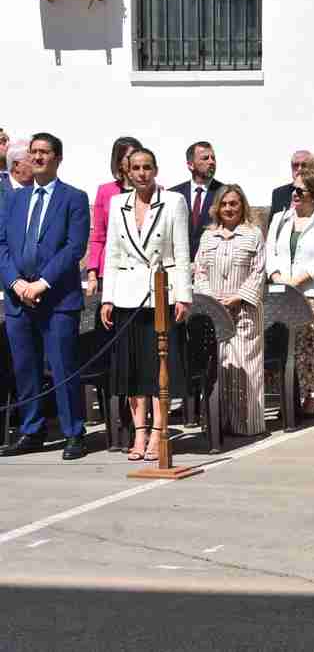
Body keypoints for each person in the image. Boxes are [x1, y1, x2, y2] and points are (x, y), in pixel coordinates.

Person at [0, 133, 90, 460]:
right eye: (33, 152)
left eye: (45, 152)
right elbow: (2, 246)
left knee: (64, 366)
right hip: (17, 299)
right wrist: (16, 284)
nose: (37, 157)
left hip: (57, 300)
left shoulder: (74, 198)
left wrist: (42, 283)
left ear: (57, 158)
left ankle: (73, 433)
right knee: (25, 368)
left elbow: (74, 247)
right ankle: (31, 430)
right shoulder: (13, 199)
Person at [100, 148, 192, 461]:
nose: (142, 173)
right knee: (133, 369)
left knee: (158, 369)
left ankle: (159, 432)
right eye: (136, 168)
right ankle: (139, 433)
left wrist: (183, 295)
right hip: (126, 296)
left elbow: (181, 252)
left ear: (155, 170)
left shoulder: (174, 202)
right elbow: (111, 254)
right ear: (127, 172)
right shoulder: (117, 204)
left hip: (160, 294)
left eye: (147, 167)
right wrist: (107, 297)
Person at [265, 167, 314, 418]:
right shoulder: (280, 219)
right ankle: (288, 395)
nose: (294, 194)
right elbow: (270, 252)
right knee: (287, 347)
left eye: (301, 190)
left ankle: (311, 398)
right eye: (293, 189)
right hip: (283, 292)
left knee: (313, 349)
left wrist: (297, 281)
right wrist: (277, 277)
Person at [194, 184, 266, 436]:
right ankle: (218, 422)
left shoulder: (254, 234)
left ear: (242, 206)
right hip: (215, 314)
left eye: (233, 203)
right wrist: (210, 301)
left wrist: (238, 298)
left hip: (244, 312)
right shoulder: (208, 236)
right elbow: (200, 271)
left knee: (245, 367)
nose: (229, 209)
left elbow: (258, 272)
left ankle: (247, 424)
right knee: (219, 366)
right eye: (224, 204)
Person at [86, 136, 142, 297]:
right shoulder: (105, 191)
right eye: (129, 157)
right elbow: (98, 237)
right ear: (119, 162)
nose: (135, 160)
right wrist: (92, 274)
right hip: (111, 271)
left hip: (142, 271)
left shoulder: (157, 191)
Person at [168, 141, 224, 258]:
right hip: (178, 262)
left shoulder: (224, 193)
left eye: (213, 158)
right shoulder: (173, 194)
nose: (211, 162)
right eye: (205, 158)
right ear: (190, 165)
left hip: (211, 262)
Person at [269, 150, 313, 222]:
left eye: (304, 165)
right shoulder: (279, 193)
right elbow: (271, 225)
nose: (299, 169)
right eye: (296, 165)